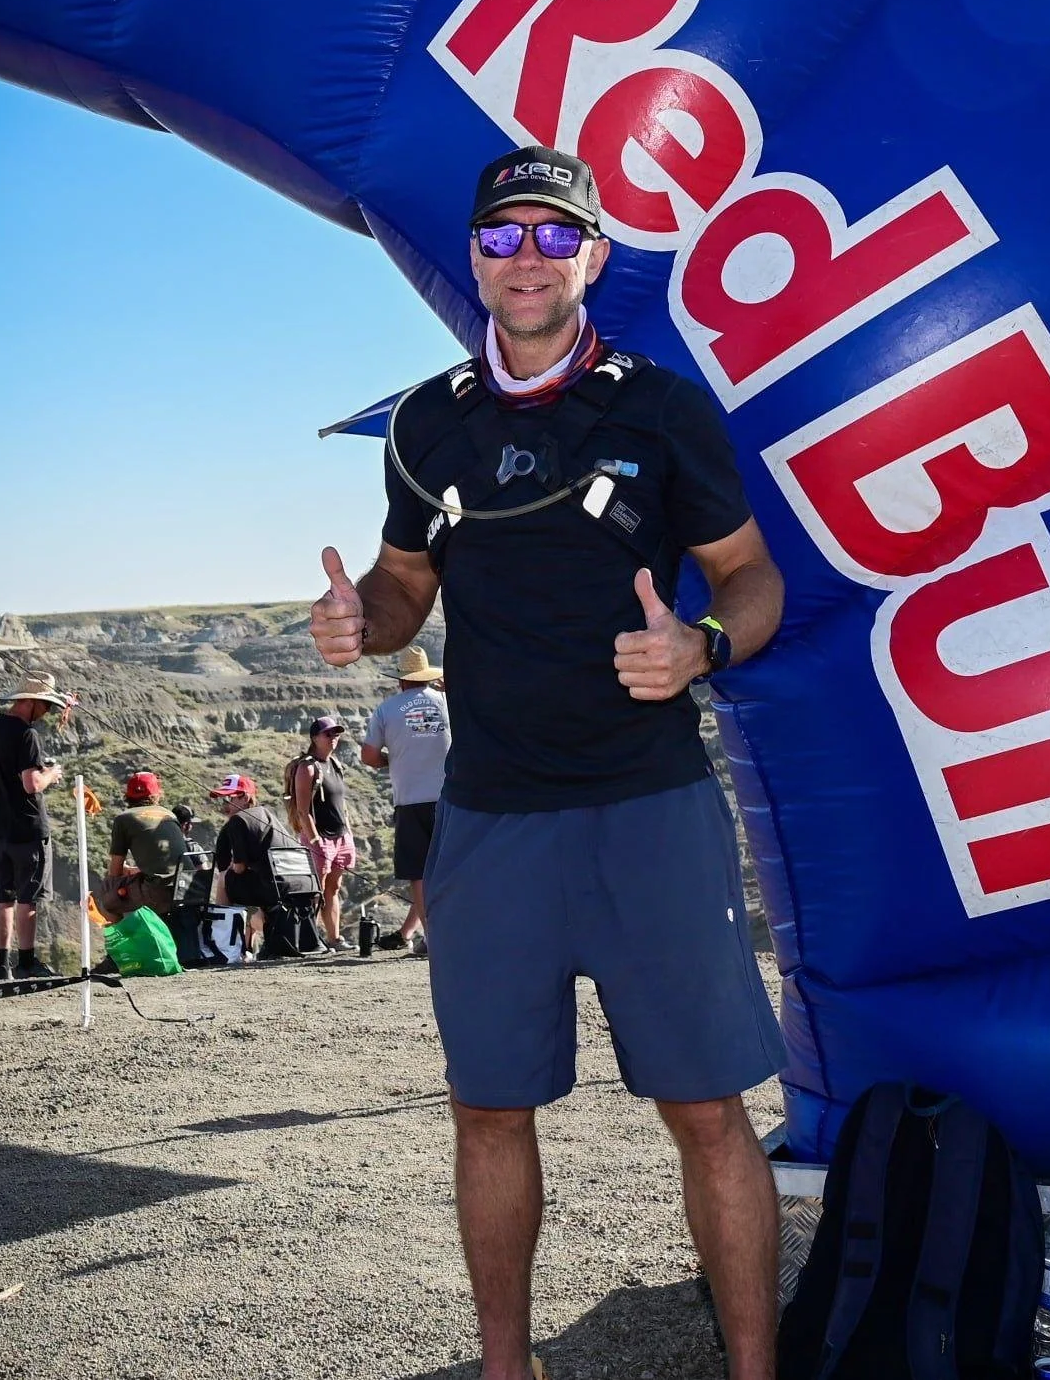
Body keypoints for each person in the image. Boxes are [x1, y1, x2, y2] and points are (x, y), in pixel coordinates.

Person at [310, 144, 788, 1380]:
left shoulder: (662, 409)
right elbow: (407, 582)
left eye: (551, 234)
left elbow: (748, 574)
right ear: (473, 254)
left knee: (705, 1111)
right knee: (489, 1108)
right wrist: (363, 618)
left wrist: (703, 644)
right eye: (502, 235)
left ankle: (754, 1369)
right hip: (495, 814)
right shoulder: (425, 424)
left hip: (651, 804)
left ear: (594, 256)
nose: (525, 257)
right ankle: (506, 1367)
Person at [0, 671, 67, 982]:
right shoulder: (28, 736)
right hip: (29, 828)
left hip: (1, 826)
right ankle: (27, 962)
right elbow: (32, 784)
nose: (47, 713)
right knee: (29, 896)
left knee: (4, 895)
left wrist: (1, 798)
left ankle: (2, 965)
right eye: (45, 705)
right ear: (30, 702)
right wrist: (52, 773)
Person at [361, 645, 449, 957]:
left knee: (420, 873)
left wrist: (393, 760)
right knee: (454, 866)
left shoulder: (387, 710)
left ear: (401, 680)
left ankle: (433, 939)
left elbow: (369, 756)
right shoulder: (447, 703)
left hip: (411, 800)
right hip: (451, 798)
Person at [288, 714, 357, 953]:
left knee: (333, 888)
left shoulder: (335, 764)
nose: (333, 738)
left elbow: (341, 803)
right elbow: (302, 810)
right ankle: (310, 938)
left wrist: (348, 832)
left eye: (336, 734)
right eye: (328, 734)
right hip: (321, 838)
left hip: (340, 836)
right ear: (315, 737)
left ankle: (334, 937)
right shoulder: (308, 768)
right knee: (315, 891)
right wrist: (315, 840)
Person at [208, 772, 291, 956]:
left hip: (272, 889)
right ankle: (247, 942)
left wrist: (230, 868)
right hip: (296, 883)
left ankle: (225, 943)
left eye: (228, 798)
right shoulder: (266, 814)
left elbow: (238, 868)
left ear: (245, 797)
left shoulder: (238, 821)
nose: (224, 805)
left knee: (223, 879)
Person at [96, 771, 186, 920]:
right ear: (157, 793)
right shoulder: (169, 815)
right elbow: (166, 861)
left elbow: (115, 871)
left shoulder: (123, 819)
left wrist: (117, 879)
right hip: (187, 887)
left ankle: (129, 942)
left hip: (157, 891)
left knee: (107, 900)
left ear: (128, 795)